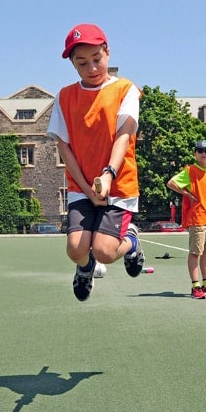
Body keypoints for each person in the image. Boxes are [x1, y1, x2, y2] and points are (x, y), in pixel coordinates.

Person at [47, 23, 145, 302]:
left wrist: (109, 175)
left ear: (107, 52)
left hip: (118, 184)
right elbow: (63, 147)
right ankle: (86, 268)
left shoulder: (126, 90)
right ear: (73, 65)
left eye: (96, 59)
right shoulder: (65, 97)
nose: (91, 68)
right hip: (81, 185)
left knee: (105, 251)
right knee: (76, 249)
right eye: (82, 63)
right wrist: (87, 189)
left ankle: (132, 242)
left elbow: (123, 136)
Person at [167, 140, 206, 299]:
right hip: (197, 216)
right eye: (200, 150)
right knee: (195, 252)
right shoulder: (190, 170)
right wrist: (186, 194)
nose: (203, 153)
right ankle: (195, 286)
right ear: (195, 153)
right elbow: (171, 183)